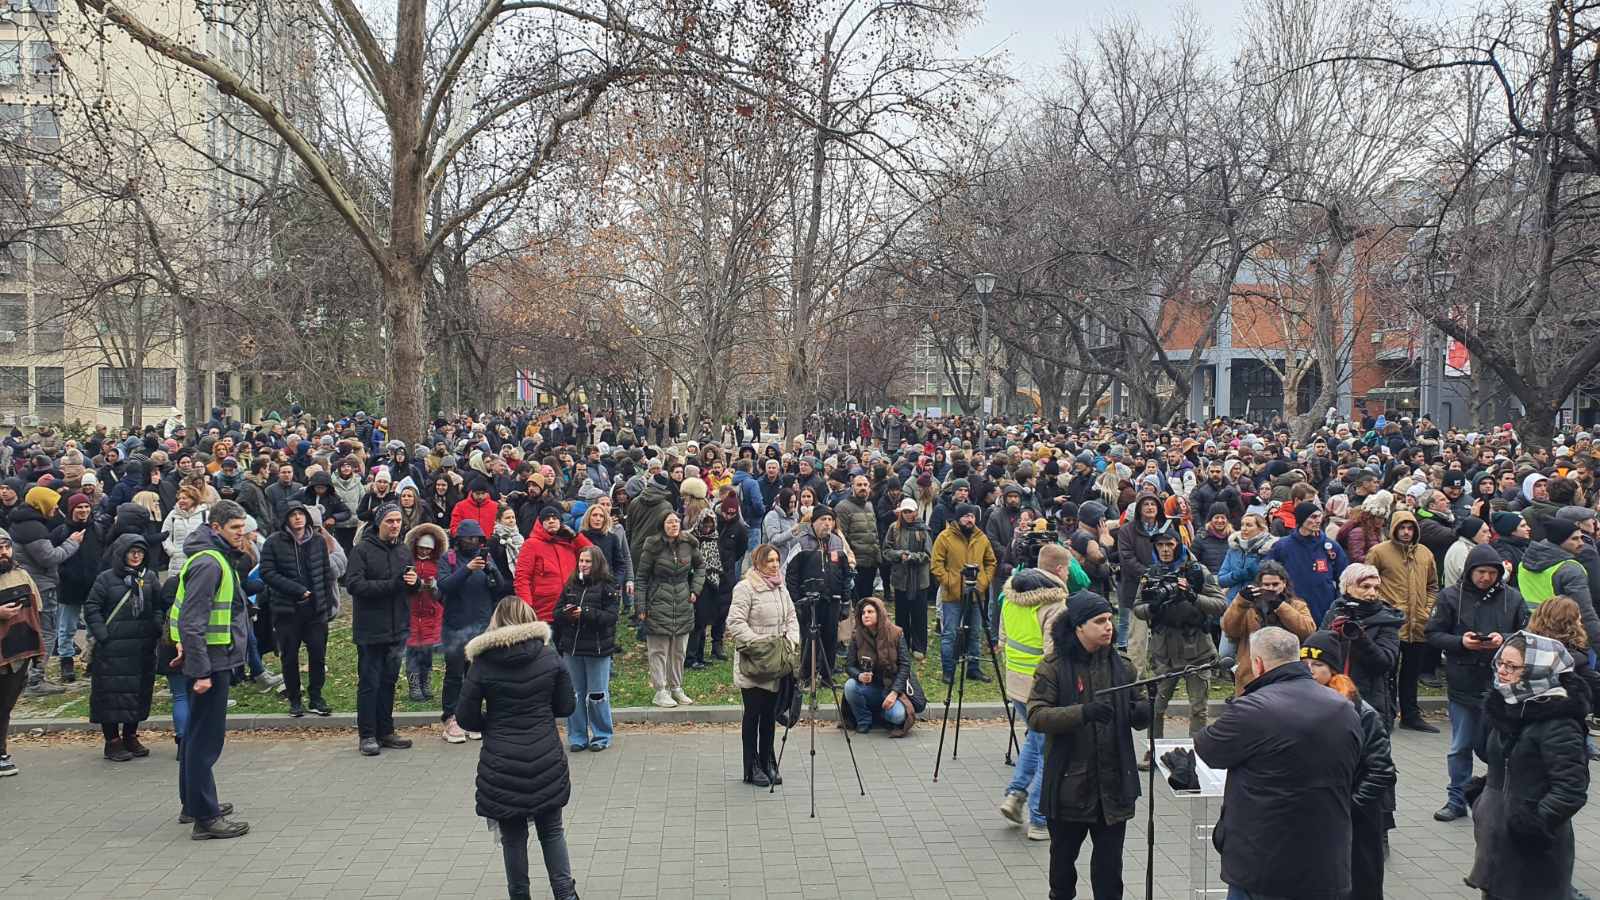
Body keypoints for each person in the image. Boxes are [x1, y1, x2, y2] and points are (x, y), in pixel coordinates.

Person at [1195, 626, 1364, 900]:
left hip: (1263, 862)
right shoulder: (1343, 706)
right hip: (1326, 856)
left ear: (1258, 664)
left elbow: (1208, 748)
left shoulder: (1253, 708)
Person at [1025, 591, 1150, 900]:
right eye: (1099, 621)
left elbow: (1139, 712)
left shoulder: (1123, 666)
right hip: (1069, 787)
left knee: (1110, 875)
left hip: (1114, 788)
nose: (1108, 626)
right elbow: (1037, 716)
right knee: (1062, 872)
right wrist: (1083, 713)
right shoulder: (1053, 666)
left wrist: (1144, 711)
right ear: (1079, 627)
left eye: (1109, 619)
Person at [456, 597, 579, 900]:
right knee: (552, 831)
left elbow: (465, 717)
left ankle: (520, 895)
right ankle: (565, 894)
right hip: (545, 756)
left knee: (513, 838)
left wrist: (491, 724)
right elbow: (566, 705)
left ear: (496, 621)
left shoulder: (482, 663)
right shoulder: (549, 656)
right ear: (530, 617)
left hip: (502, 761)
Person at [1467, 632, 1589, 900]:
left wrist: (1533, 824)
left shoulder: (1559, 722)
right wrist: (1484, 798)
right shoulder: (1509, 705)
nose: (1502, 671)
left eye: (1512, 666)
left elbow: (1571, 788)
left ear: (1537, 670)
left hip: (1532, 848)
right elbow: (1507, 763)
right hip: (1497, 840)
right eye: (1500, 663)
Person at [1423, 543, 1528, 822]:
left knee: (1498, 746)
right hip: (1463, 682)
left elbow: (1525, 634)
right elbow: (1432, 633)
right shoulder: (1449, 597)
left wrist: (1502, 639)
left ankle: (1500, 797)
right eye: (1481, 572)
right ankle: (1456, 799)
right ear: (1470, 571)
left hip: (1502, 686)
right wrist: (1461, 642)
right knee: (1460, 745)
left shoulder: (1513, 598)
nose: (1486, 578)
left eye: (1491, 573)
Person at [170, 499, 253, 839]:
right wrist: (202, 671)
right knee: (205, 741)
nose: (241, 534)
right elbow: (192, 621)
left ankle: (193, 804)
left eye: (243, 528)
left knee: (195, 737)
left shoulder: (212, 556)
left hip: (209, 658)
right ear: (216, 527)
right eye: (235, 528)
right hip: (211, 662)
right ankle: (206, 818)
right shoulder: (210, 562)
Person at [1299, 631, 1396, 900]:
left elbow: (1381, 771)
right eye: (1304, 665)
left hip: (1356, 819)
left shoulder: (1360, 712)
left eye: (1317, 665)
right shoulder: (1299, 704)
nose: (1310, 671)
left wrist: (1349, 805)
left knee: (1357, 884)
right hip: (1317, 816)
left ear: (1333, 669)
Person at [1133, 524, 1227, 762]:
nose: (1165, 550)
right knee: (1156, 706)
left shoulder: (1198, 571)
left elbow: (1220, 605)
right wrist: (1152, 607)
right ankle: (1154, 749)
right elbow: (1137, 608)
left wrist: (1193, 597)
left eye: (1169, 544)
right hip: (1164, 649)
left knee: (1198, 707)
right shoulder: (1151, 574)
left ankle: (1197, 752)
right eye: (1160, 545)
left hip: (1197, 646)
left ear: (1178, 545)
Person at [996, 546, 1071, 842]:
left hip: (1015, 682)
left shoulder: (1010, 597)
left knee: (1034, 741)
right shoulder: (1055, 605)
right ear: (1059, 570)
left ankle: (1015, 795)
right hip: (1041, 688)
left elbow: (1002, 638)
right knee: (1049, 752)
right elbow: (1055, 653)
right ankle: (1040, 820)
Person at [346, 503, 419, 757]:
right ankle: (367, 734)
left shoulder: (402, 551)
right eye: (390, 520)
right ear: (379, 523)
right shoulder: (362, 550)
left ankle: (385, 730)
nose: (395, 525)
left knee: (388, 682)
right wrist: (392, 585)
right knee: (370, 682)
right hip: (370, 628)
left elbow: (407, 587)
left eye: (398, 520)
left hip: (397, 626)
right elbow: (354, 585)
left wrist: (414, 583)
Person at [84, 534, 162, 761]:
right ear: (121, 554)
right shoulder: (106, 579)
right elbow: (92, 607)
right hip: (112, 648)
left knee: (137, 692)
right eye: (132, 551)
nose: (137, 556)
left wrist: (156, 625)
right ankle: (112, 740)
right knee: (110, 694)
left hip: (141, 646)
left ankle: (130, 734)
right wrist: (102, 634)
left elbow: (158, 605)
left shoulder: (149, 578)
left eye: (140, 552)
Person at [726, 543, 799, 788]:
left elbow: (792, 617)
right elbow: (735, 622)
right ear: (758, 562)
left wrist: (790, 642)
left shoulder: (781, 587)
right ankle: (751, 765)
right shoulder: (745, 588)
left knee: (770, 714)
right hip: (754, 662)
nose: (775, 565)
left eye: (777, 560)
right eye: (769, 561)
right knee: (753, 714)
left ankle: (768, 759)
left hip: (777, 662)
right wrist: (759, 645)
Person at [259, 501, 335, 718]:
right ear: (286, 519)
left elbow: (326, 573)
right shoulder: (274, 542)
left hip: (315, 611)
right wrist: (297, 590)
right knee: (289, 657)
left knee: (318, 655)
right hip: (287, 611)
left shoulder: (318, 541)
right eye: (293, 515)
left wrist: (327, 603)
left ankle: (316, 697)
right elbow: (267, 573)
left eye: (301, 514)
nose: (298, 518)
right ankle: (294, 699)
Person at [1366, 509, 1440, 732]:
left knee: (1411, 672)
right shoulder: (1379, 552)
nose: (1406, 532)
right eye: (1402, 528)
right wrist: (1383, 607)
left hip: (1418, 622)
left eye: (1410, 528)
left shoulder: (1425, 553)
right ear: (1394, 529)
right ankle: (1385, 714)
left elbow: (1433, 585)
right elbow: (1368, 581)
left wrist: (1426, 609)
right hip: (1390, 623)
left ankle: (1411, 714)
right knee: (1387, 671)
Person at [437, 519, 500, 743]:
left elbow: (499, 588)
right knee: (454, 674)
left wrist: (491, 570)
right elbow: (445, 585)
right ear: (459, 540)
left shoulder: (487, 559)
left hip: (481, 626)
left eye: (477, 539)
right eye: (468, 538)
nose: (473, 542)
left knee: (476, 675)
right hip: (455, 626)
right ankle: (450, 717)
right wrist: (467, 569)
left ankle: (471, 716)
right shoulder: (449, 559)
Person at [552, 545, 620, 752]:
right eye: (581, 560)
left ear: (597, 562)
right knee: (575, 694)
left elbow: (611, 617)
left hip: (598, 650)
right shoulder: (571, 584)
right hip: (572, 649)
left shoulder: (608, 585)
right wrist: (567, 614)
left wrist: (587, 613)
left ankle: (601, 735)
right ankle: (577, 736)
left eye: (588, 561)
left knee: (597, 694)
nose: (583, 564)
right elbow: (556, 612)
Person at [1323, 563, 1405, 730]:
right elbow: (1319, 654)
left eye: (1376, 588)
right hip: (1333, 696)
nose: (1372, 593)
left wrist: (1359, 637)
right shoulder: (1334, 614)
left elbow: (1385, 662)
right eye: (1365, 587)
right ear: (1347, 588)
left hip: (1371, 700)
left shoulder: (1387, 620)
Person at [638, 511, 704, 708]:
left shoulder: (688, 544)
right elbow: (641, 577)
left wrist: (695, 589)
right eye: (669, 522)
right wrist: (640, 606)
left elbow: (701, 566)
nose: (673, 525)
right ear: (662, 525)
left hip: (683, 602)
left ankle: (676, 687)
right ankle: (660, 690)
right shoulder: (653, 546)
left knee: (679, 650)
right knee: (658, 650)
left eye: (676, 521)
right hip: (658, 600)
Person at [1220, 560, 1315, 695]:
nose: (1271, 588)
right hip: (1251, 674)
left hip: (1287, 674)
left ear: (1284, 584)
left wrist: (1280, 606)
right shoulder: (1249, 607)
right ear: (1259, 585)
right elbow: (1230, 630)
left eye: (1275, 584)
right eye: (1266, 584)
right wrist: (1240, 602)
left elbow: (1308, 631)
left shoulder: (1297, 605)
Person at [783, 506, 853, 683]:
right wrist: (797, 601)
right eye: (823, 520)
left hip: (833, 600)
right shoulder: (801, 543)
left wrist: (845, 600)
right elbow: (791, 574)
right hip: (809, 601)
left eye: (830, 520)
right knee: (809, 638)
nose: (827, 523)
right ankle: (807, 675)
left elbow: (846, 574)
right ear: (814, 522)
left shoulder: (838, 542)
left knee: (830, 638)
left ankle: (827, 675)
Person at [929, 503, 996, 685]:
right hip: (952, 595)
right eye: (966, 516)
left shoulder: (981, 538)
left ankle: (973, 668)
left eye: (972, 516)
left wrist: (982, 583)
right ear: (958, 518)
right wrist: (950, 582)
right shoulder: (944, 537)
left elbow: (990, 562)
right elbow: (936, 564)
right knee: (949, 633)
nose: (970, 519)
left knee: (975, 632)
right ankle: (948, 670)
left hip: (976, 595)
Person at [0, 529, 44, 776]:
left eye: (6, 547)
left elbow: (36, 611)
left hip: (17, 654)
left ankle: (1, 753)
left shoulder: (21, 575)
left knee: (4, 706)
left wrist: (38, 652)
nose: (3, 552)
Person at [1264, 501, 1348, 625]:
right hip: (1293, 608)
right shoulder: (1283, 546)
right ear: (1302, 519)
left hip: (1324, 608)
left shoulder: (1330, 547)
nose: (1318, 521)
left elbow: (1344, 577)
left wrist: (1338, 604)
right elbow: (1266, 570)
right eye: (1313, 517)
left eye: (1320, 516)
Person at [841, 595, 915, 735]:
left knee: (898, 716)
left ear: (879, 613)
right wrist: (859, 675)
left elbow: (905, 665)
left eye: (870, 612)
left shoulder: (896, 633)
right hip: (869, 688)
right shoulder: (857, 636)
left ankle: (881, 715)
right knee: (850, 686)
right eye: (863, 613)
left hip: (892, 688)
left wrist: (894, 693)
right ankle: (864, 720)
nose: (866, 615)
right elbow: (849, 665)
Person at [882, 496, 933, 660]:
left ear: (916, 512)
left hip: (919, 579)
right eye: (905, 512)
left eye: (910, 512)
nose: (908, 515)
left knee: (919, 615)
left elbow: (928, 554)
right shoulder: (894, 528)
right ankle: (902, 645)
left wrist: (912, 557)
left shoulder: (923, 529)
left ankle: (919, 647)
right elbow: (886, 550)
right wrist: (899, 555)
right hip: (901, 579)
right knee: (902, 614)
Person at [404, 523, 448, 701]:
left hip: (431, 613)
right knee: (412, 652)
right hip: (412, 613)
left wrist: (433, 587)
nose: (424, 552)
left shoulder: (438, 565)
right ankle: (414, 685)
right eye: (421, 548)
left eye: (427, 549)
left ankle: (426, 682)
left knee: (428, 653)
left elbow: (441, 593)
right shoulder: (409, 563)